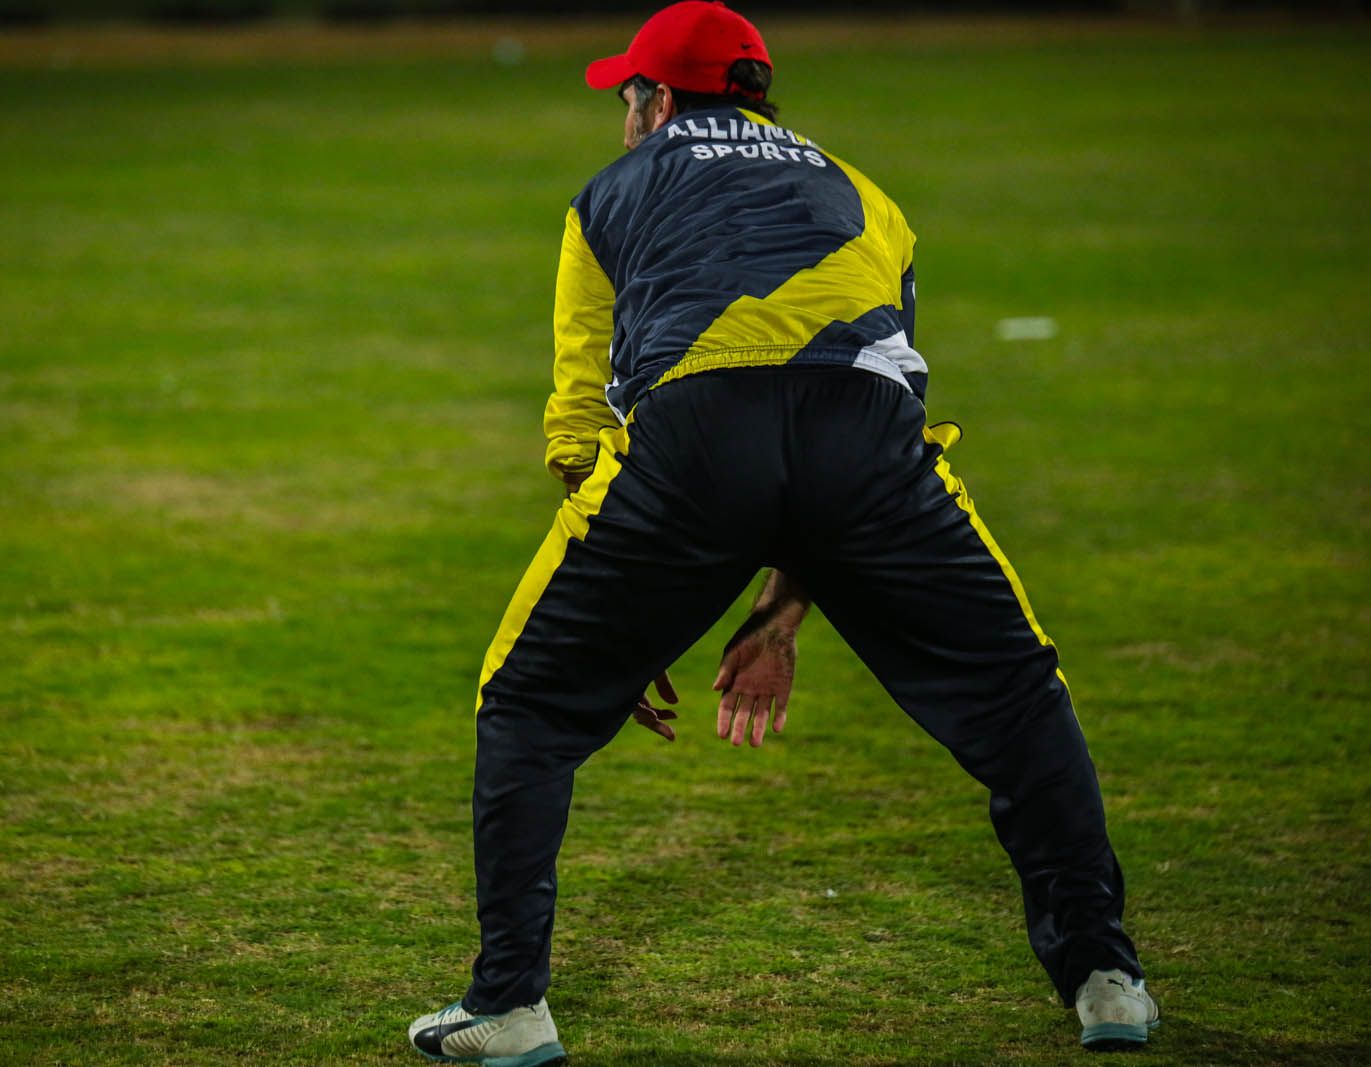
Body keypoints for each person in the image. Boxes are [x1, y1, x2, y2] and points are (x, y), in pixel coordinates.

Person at [409, 3, 1158, 1062]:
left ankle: (509, 1003)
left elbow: (580, 420)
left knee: (525, 701)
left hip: (692, 439)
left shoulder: (608, 194)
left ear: (655, 101)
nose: (625, 113)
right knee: (1021, 699)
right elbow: (868, 392)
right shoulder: (867, 195)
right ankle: (1106, 978)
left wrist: (621, 615)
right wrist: (783, 610)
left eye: (628, 94)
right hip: (869, 442)